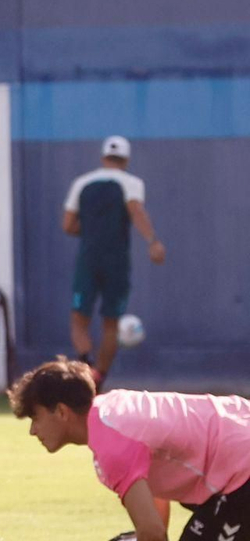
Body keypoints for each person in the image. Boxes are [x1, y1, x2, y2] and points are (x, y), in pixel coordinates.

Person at [10, 357, 250, 541]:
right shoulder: (110, 408)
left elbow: (152, 533)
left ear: (61, 411)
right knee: (206, 511)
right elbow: (154, 512)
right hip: (241, 438)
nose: (32, 430)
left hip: (241, 469)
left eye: (35, 417)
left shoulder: (111, 446)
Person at [63, 136, 165, 386]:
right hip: (117, 261)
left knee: (79, 320)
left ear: (102, 158)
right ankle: (99, 378)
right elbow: (135, 209)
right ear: (126, 160)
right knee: (111, 323)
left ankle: (86, 367)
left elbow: (68, 225)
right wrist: (152, 240)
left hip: (88, 259)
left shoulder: (82, 183)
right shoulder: (131, 183)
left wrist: (92, 231)